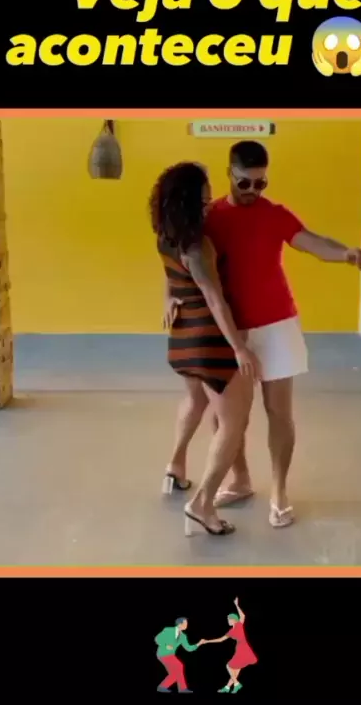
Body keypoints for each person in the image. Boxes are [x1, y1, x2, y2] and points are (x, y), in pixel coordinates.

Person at [164, 141, 361, 528]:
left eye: (261, 183)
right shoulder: (210, 217)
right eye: (245, 183)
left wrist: (347, 253)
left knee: (279, 412)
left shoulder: (275, 214)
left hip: (277, 326)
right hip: (230, 330)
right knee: (229, 418)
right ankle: (240, 480)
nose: (253, 191)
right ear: (229, 174)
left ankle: (279, 491)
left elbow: (312, 242)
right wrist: (170, 295)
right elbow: (180, 254)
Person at [149, 162, 260, 537]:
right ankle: (202, 503)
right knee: (233, 422)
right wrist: (239, 348)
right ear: (189, 200)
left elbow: (169, 274)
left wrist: (168, 297)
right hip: (210, 340)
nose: (209, 201)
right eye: (203, 197)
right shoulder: (199, 246)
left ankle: (175, 466)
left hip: (182, 336)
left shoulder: (166, 235)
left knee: (195, 401)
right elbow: (215, 299)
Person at [202, 598, 257, 693]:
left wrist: (236, 605)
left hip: (242, 649)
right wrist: (207, 641)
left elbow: (243, 616)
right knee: (235, 671)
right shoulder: (231, 631)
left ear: (233, 620)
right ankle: (228, 688)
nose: (228, 621)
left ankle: (237, 684)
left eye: (229, 619)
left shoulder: (239, 624)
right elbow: (220, 639)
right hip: (242, 649)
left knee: (229, 666)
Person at [155, 617, 201, 693]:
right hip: (163, 654)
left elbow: (188, 648)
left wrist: (199, 644)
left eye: (187, 623)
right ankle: (182, 689)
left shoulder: (183, 636)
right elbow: (158, 639)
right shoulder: (168, 630)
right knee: (179, 666)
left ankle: (162, 687)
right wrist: (166, 645)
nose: (187, 625)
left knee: (175, 673)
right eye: (185, 623)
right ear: (179, 624)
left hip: (171, 655)